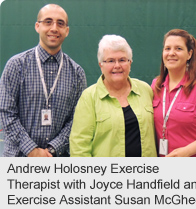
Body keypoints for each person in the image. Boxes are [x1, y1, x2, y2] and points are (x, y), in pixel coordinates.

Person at [0, 4, 87, 157]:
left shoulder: (77, 73)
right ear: (37, 26)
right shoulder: (16, 65)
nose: (54, 28)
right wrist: (32, 150)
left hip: (58, 159)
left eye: (60, 23)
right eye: (48, 21)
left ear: (66, 31)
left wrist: (52, 150)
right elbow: (6, 112)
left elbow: (77, 119)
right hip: (17, 159)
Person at [70, 34, 157, 157]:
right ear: (101, 65)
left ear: (130, 63)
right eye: (110, 61)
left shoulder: (145, 90)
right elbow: (79, 146)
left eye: (122, 60)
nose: (117, 66)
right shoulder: (89, 97)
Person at [151, 29, 196, 157]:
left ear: (189, 54)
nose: (171, 53)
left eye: (178, 49)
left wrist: (187, 151)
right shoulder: (155, 86)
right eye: (167, 48)